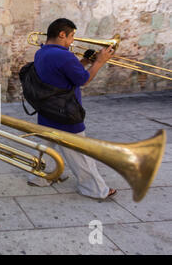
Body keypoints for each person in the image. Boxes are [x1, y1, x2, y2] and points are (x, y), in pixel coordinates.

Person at [26, 18, 117, 200]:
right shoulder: (64, 55)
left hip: (48, 109)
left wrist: (83, 61)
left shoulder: (42, 52)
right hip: (65, 111)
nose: (73, 41)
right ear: (62, 34)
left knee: (46, 146)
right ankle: (95, 189)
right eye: (72, 36)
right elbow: (83, 80)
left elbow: (62, 75)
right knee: (80, 151)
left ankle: (40, 178)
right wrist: (99, 62)